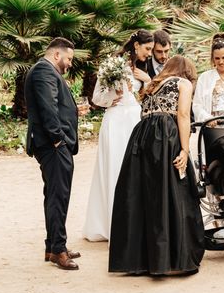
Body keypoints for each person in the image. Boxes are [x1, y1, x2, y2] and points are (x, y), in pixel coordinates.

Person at [109, 55, 205, 276]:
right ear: (187, 72)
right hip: (166, 136)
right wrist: (184, 149)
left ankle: (142, 259)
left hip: (142, 136)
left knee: (144, 194)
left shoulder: (153, 85)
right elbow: (182, 115)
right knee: (175, 191)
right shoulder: (183, 83)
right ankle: (172, 258)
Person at [25, 37, 89, 270]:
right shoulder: (44, 72)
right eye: (69, 59)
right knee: (57, 198)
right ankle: (58, 251)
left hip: (52, 145)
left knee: (55, 196)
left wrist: (73, 110)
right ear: (56, 55)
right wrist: (58, 140)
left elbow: (56, 106)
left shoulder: (47, 72)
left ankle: (53, 247)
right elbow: (48, 109)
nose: (70, 63)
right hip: (53, 146)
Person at [82, 39, 144, 242]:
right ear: (137, 46)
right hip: (116, 120)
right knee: (114, 167)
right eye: (148, 48)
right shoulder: (112, 65)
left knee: (135, 169)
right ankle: (111, 225)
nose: (150, 53)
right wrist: (112, 97)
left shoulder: (142, 68)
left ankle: (134, 223)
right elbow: (96, 98)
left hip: (135, 118)